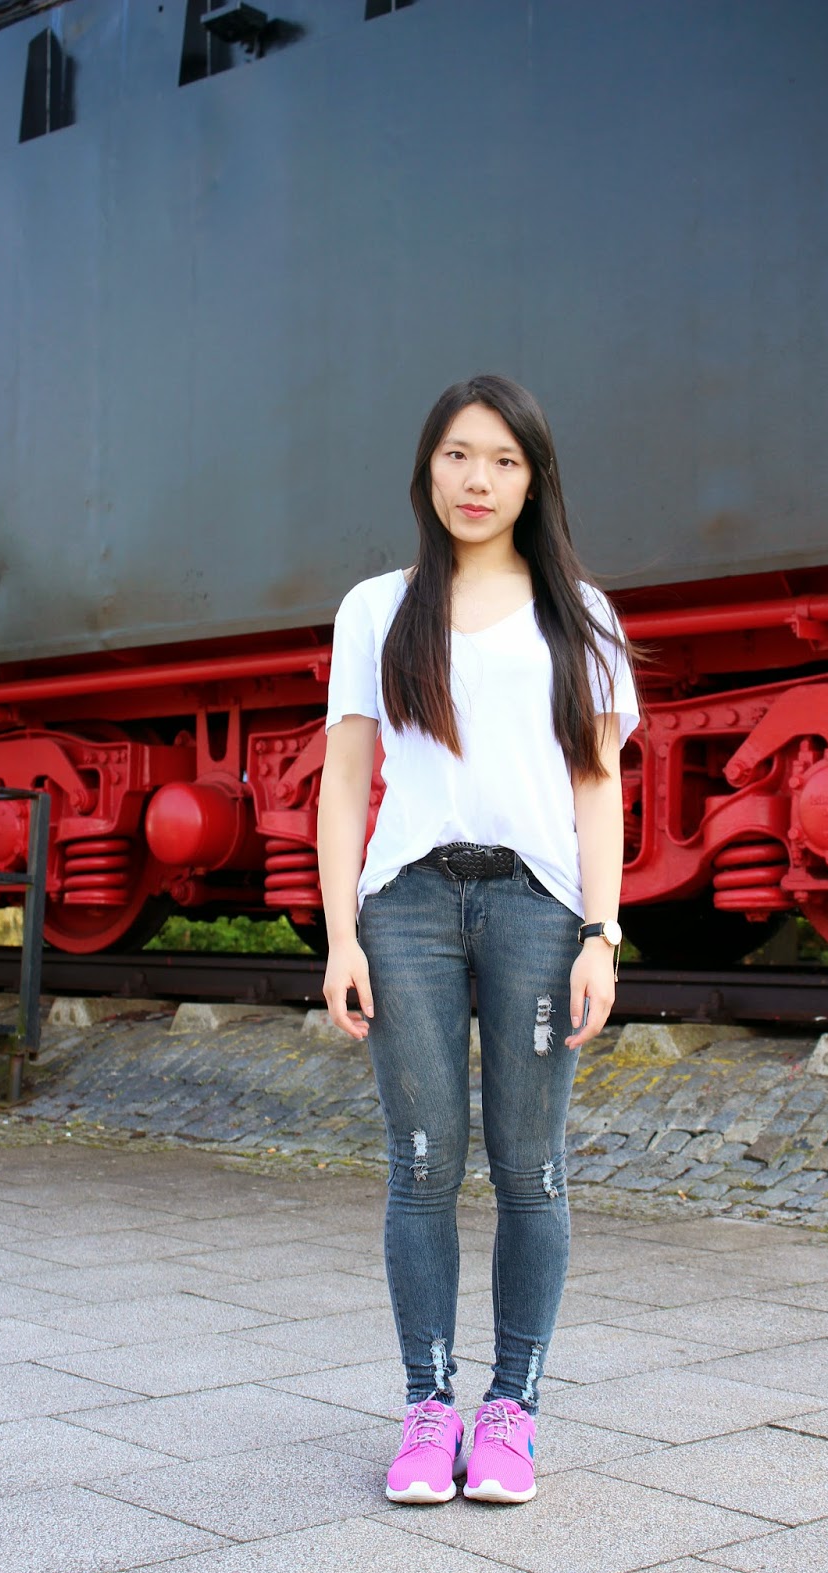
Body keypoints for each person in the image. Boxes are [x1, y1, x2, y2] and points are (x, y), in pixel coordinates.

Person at [317, 374, 639, 1505]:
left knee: (530, 1170)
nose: (478, 479)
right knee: (421, 1166)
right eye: (459, 454)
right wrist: (340, 935)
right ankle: (426, 1409)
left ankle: (511, 1412)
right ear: (428, 467)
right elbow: (344, 780)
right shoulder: (377, 608)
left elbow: (597, 784)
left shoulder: (580, 615)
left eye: (504, 460)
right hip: (404, 908)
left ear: (534, 480)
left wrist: (601, 932)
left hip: (538, 910)